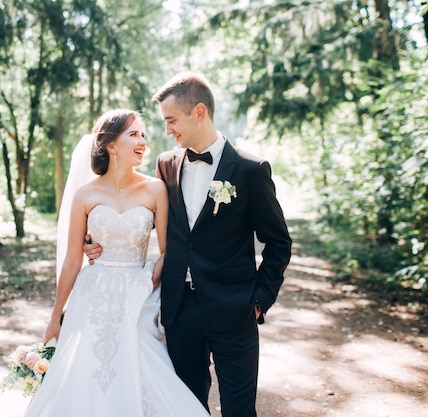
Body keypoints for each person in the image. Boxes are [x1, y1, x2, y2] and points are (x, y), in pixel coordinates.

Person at [84, 72, 292, 417]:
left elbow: (279, 242)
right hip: (180, 311)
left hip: (234, 309)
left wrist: (259, 300)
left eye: (171, 121)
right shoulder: (166, 165)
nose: (167, 131)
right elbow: (136, 214)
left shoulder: (250, 170)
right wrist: (93, 238)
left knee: (240, 410)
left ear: (199, 112)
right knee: (184, 408)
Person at [24, 109, 210, 417]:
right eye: (133, 134)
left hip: (138, 294)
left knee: (142, 365)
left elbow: (168, 251)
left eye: (143, 135)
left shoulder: (155, 189)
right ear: (111, 144)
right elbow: (72, 260)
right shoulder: (85, 194)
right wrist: (55, 316)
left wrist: (147, 282)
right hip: (92, 295)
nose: (142, 142)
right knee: (84, 372)